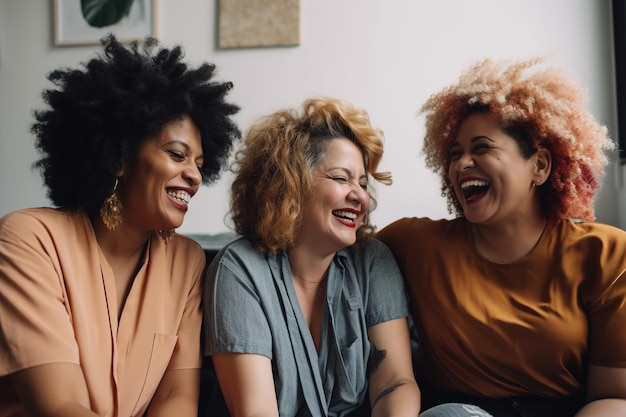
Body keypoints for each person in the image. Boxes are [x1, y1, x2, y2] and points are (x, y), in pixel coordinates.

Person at [0, 34, 240, 417]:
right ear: (119, 157)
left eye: (199, 162)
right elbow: (59, 405)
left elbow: (176, 398)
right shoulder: (29, 239)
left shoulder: (187, 262)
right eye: (177, 154)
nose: (194, 175)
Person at [376, 57, 626, 417]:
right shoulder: (413, 243)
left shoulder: (606, 255)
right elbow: (330, 257)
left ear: (539, 166)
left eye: (481, 148)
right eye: (455, 153)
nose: (462, 164)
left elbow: (615, 396)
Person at [201, 97, 421, 417]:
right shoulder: (238, 270)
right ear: (290, 185)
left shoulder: (373, 261)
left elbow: (395, 382)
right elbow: (257, 411)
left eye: (362, 183)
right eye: (341, 178)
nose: (360, 195)